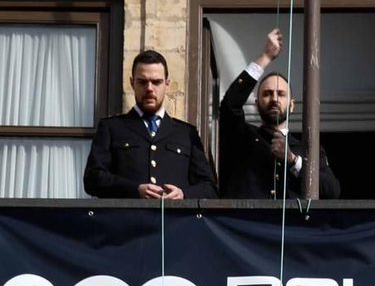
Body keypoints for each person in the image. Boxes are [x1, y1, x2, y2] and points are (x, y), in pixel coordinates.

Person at [219, 28, 340, 201]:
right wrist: (265, 57)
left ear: (292, 106)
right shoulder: (243, 137)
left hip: (293, 227)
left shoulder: (308, 149)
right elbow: (230, 105)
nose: (274, 99)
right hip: (247, 225)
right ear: (256, 104)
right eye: (267, 94)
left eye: (281, 94)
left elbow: (332, 191)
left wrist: (292, 161)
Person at [83, 50, 217, 201]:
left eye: (156, 82)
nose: (149, 88)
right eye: (142, 82)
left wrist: (183, 194)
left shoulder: (186, 133)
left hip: (174, 222)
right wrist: (134, 190)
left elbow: (209, 188)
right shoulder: (112, 128)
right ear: (131, 83)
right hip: (127, 222)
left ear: (167, 84)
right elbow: (92, 179)